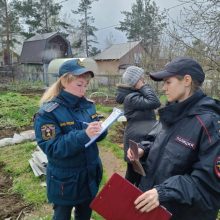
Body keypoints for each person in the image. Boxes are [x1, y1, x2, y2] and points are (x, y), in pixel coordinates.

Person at [127, 57, 220, 220]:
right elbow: (158, 141)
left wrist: (164, 192)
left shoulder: (209, 123)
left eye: (168, 82)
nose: (163, 88)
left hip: (179, 212)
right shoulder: (171, 112)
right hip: (154, 207)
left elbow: (208, 182)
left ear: (186, 80)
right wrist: (143, 149)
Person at [34, 59, 107, 220]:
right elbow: (52, 147)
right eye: (79, 85)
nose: (83, 90)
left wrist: (100, 130)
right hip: (65, 180)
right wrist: (84, 134)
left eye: (86, 85)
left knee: (85, 215)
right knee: (62, 216)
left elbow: (95, 134)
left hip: (89, 175)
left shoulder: (88, 105)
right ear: (65, 82)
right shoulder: (48, 113)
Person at [116, 65, 161, 186]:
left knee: (138, 174)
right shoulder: (132, 97)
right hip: (136, 140)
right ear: (136, 80)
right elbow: (155, 102)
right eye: (141, 77)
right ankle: (121, 199)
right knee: (132, 175)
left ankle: (130, 199)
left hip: (141, 137)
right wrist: (143, 86)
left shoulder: (134, 95)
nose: (144, 78)